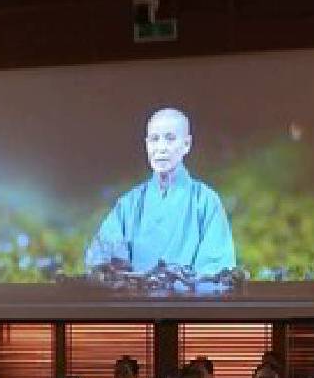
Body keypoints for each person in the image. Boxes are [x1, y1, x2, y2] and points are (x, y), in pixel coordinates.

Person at [84, 107, 235, 276]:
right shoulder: (129, 204)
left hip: (190, 301)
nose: (161, 148)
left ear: (187, 144)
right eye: (154, 139)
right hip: (135, 299)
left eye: (170, 139)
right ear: (147, 144)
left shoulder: (205, 201)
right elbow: (104, 258)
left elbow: (216, 270)